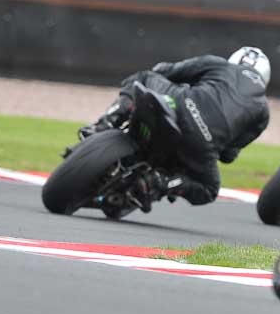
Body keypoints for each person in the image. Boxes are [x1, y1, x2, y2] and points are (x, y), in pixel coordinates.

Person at [79, 47, 270, 211]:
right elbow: (228, 155)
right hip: (203, 142)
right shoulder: (262, 111)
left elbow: (165, 70)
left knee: (144, 77)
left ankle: (106, 123)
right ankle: (160, 181)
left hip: (180, 106)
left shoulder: (220, 64)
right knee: (208, 190)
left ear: (235, 59)